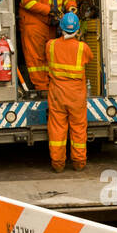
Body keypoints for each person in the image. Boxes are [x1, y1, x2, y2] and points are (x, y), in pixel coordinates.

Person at [19, 0, 77, 92]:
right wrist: (49, 10)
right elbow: (27, 2)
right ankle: (41, 88)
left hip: (51, 23)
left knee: (50, 55)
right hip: (34, 24)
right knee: (36, 58)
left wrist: (72, 9)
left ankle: (51, 85)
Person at [45, 12, 93, 172]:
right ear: (78, 29)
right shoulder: (82, 48)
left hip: (57, 95)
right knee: (78, 128)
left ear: (61, 28)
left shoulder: (50, 45)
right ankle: (79, 163)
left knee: (57, 128)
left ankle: (58, 164)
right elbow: (90, 58)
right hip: (76, 97)